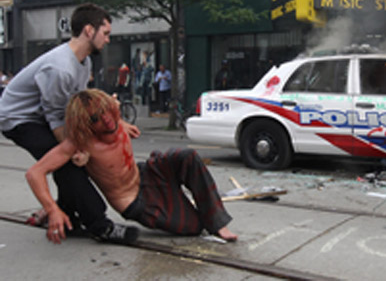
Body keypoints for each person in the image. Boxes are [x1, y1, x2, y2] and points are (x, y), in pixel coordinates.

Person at [0, 3, 140, 244]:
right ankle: (100, 226)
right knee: (69, 164)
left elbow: (80, 105)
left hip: (42, 114)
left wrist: (119, 122)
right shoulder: (60, 68)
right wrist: (76, 151)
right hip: (19, 119)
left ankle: (70, 217)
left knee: (74, 160)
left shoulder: (83, 62)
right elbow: (55, 117)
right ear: (89, 30)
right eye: (105, 33)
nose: (107, 40)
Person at [26, 88, 238, 244]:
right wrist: (51, 210)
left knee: (187, 156)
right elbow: (34, 173)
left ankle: (218, 222)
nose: (107, 120)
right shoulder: (80, 143)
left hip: (148, 172)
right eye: (96, 119)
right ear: (85, 124)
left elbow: (111, 111)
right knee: (194, 227)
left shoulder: (114, 116)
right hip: (136, 200)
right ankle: (59, 209)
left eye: (106, 110)